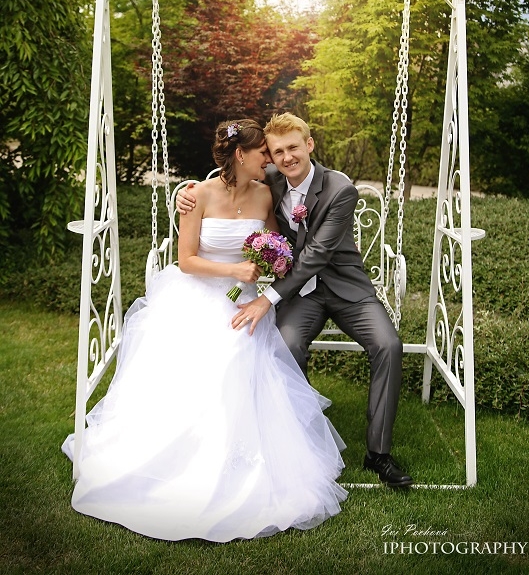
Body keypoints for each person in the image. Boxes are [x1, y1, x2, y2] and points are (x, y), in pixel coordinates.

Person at [62, 119, 347, 542]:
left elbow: (278, 245)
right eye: (263, 153)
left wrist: (270, 260)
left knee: (241, 347)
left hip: (242, 300)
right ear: (241, 155)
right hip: (197, 293)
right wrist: (234, 269)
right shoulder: (197, 195)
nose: (270, 161)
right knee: (215, 354)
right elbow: (187, 261)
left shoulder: (265, 193)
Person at [178, 113, 413, 488]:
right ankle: (301, 442)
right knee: (287, 345)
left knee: (388, 345)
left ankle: (378, 454)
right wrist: (184, 193)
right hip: (300, 294)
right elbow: (228, 178)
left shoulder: (340, 189)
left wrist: (266, 299)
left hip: (346, 289)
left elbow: (316, 255)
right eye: (276, 152)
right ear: (268, 157)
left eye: (293, 148)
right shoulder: (268, 178)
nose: (285, 158)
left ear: (309, 145)